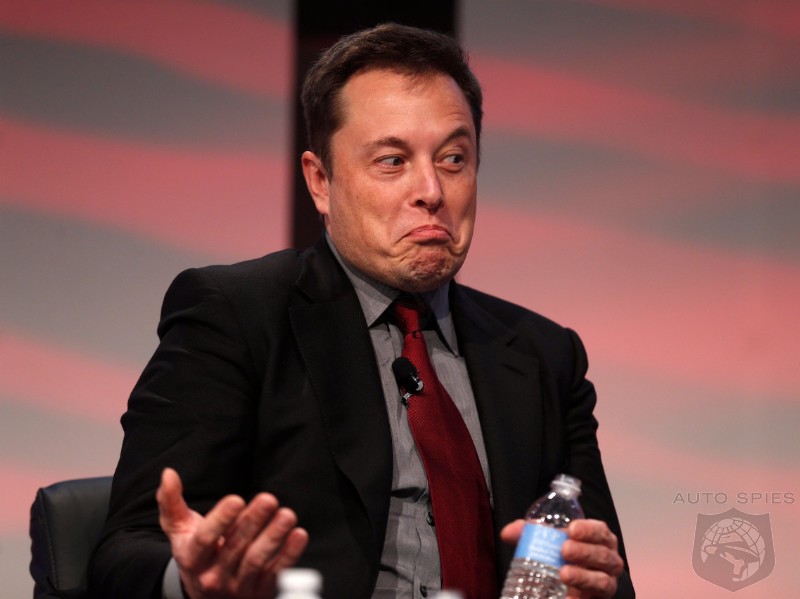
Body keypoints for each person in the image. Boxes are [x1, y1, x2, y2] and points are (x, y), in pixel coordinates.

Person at [89, 23, 634, 599]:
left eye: (454, 158)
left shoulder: (545, 356)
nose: (432, 190)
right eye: (392, 161)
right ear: (320, 181)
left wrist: (592, 586)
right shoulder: (236, 317)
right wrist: (191, 579)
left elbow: (602, 572)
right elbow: (125, 551)